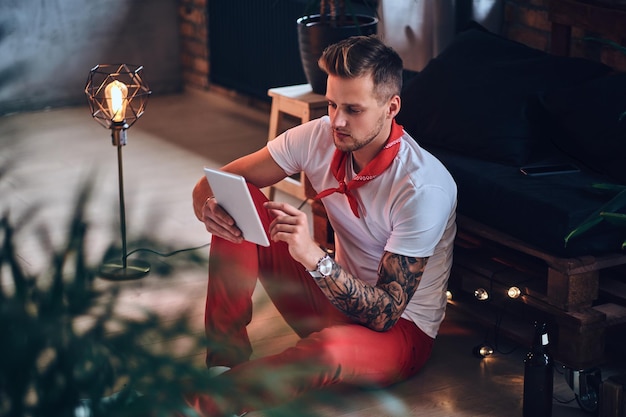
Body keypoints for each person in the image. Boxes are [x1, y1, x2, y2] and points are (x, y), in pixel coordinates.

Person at [189, 35, 457, 416]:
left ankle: (195, 406)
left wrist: (316, 259)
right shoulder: (321, 135)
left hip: (399, 335)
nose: (337, 120)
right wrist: (208, 206)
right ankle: (223, 365)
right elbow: (215, 182)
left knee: (328, 350)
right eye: (331, 104)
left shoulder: (422, 187)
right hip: (332, 299)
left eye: (353, 109)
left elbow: (384, 313)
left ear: (391, 107)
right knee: (237, 198)